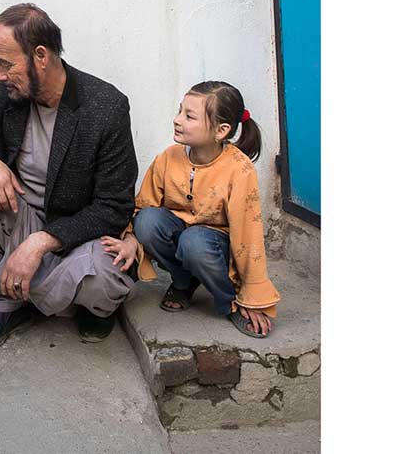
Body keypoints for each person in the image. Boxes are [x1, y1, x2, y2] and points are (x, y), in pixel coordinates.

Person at [0, 3, 138, 351]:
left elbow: (113, 207)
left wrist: (40, 244)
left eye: (6, 63)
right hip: (20, 220)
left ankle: (54, 296)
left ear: (41, 55)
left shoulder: (106, 106)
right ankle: (7, 303)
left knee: (106, 279)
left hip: (76, 236)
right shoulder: (2, 93)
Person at [101, 81, 280, 338]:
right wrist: (130, 240)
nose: (177, 120)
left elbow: (247, 235)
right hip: (180, 233)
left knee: (194, 242)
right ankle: (184, 281)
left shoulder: (239, 170)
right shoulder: (168, 157)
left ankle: (229, 300)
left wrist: (252, 295)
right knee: (148, 222)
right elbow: (143, 205)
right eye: (179, 111)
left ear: (221, 130)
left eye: (189, 116)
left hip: (214, 244)